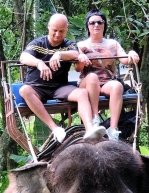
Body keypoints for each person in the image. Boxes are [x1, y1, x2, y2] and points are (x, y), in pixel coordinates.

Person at [19, 13, 105, 143]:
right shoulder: (38, 43)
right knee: (24, 90)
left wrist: (59, 54)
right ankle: (55, 129)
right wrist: (39, 63)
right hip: (37, 88)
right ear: (49, 27)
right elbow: (23, 57)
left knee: (82, 93)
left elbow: (75, 53)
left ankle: (90, 128)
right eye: (54, 30)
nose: (58, 35)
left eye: (61, 31)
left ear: (67, 29)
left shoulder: (68, 44)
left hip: (60, 88)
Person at [75, 9, 140, 141]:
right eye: (92, 23)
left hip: (106, 83)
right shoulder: (81, 45)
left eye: (100, 22)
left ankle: (113, 129)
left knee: (116, 85)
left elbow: (125, 60)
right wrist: (80, 56)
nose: (96, 25)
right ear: (87, 25)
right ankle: (94, 119)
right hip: (87, 84)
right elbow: (77, 69)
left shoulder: (112, 44)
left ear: (104, 25)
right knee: (92, 77)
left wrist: (132, 53)